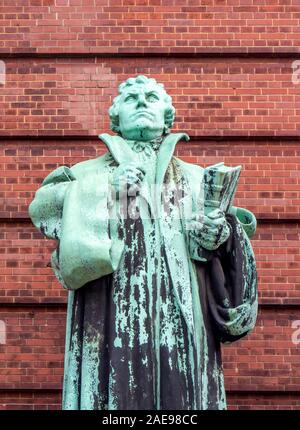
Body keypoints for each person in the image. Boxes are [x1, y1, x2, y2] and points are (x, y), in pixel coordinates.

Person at [29, 75, 258, 410]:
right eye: (131, 97)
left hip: (182, 315)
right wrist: (106, 189)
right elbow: (45, 212)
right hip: (110, 310)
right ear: (115, 117)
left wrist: (221, 235)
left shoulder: (197, 179)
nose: (140, 102)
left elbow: (233, 242)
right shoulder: (85, 173)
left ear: (167, 116)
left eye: (151, 97)